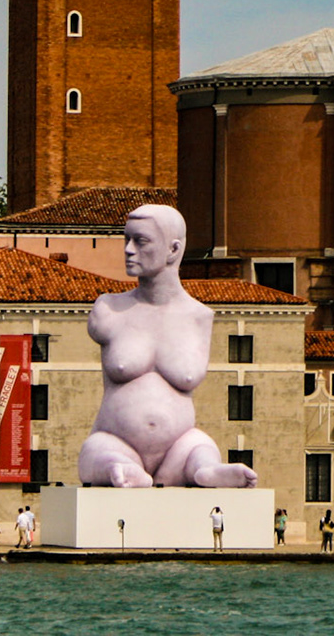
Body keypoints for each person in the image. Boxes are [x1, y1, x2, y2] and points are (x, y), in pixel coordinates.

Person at [77, 205, 257, 489]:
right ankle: (121, 469)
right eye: (127, 239)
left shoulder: (199, 317)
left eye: (141, 241)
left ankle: (205, 470)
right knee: (97, 452)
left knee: (201, 446)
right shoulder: (109, 309)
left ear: (173, 250)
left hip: (179, 448)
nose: (128, 249)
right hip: (114, 440)